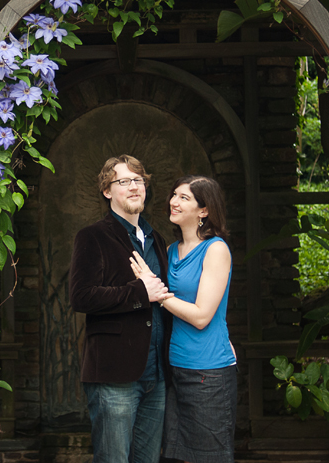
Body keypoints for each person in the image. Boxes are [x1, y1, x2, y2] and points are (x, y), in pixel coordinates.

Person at [69, 155, 173, 463]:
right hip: (114, 376)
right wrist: (140, 291)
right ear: (107, 190)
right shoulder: (93, 236)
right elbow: (82, 297)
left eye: (139, 180)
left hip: (156, 376)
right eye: (123, 181)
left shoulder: (157, 239)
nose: (134, 187)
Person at [130, 175, 237, 463]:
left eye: (184, 198)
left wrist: (157, 292)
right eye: (174, 195)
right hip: (174, 369)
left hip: (209, 372)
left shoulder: (215, 249)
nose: (174, 202)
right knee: (176, 457)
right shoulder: (170, 252)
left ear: (204, 210)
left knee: (209, 457)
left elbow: (202, 316)